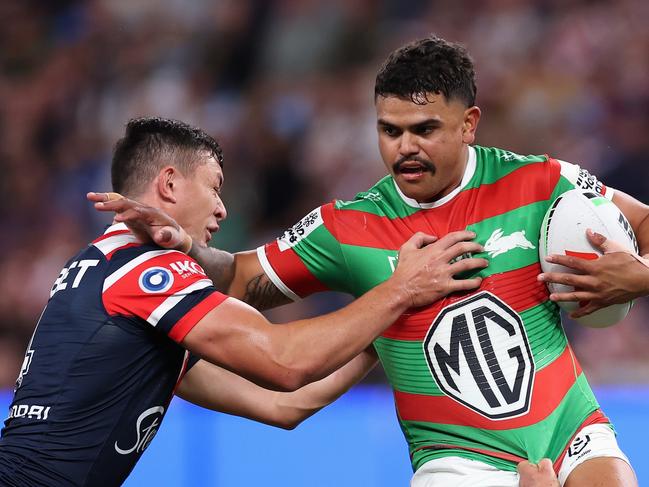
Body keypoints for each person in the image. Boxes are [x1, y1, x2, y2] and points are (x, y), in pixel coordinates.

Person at [91, 36, 649, 487]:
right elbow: (242, 277)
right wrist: (185, 247)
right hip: (456, 460)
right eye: (390, 130)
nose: (405, 147)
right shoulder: (346, 226)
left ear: (469, 123)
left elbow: (642, 225)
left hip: (570, 427)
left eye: (425, 130)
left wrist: (639, 275)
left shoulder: (541, 181)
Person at [0, 117, 490, 487]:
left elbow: (284, 405)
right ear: (169, 184)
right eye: (214, 187)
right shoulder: (147, 269)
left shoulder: (106, 274)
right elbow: (284, 364)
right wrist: (399, 289)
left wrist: (390, 317)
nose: (222, 209)